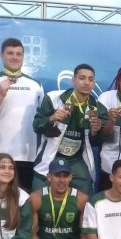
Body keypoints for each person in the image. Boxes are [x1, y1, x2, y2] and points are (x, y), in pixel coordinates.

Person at [0, 37, 45, 191]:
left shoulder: (36, 85)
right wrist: (0, 94)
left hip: (29, 157)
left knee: (24, 202)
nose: (15, 57)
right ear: (1, 55)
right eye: (10, 53)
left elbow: (43, 121)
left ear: (23, 56)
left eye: (19, 54)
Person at [32, 63, 105, 194]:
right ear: (73, 80)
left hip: (76, 159)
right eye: (82, 78)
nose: (86, 82)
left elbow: (95, 142)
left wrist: (95, 132)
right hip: (52, 155)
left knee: (86, 193)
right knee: (38, 195)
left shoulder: (96, 107)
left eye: (91, 79)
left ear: (94, 83)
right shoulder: (53, 98)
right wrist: (51, 118)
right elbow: (37, 125)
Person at [22, 157, 87, 239]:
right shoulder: (36, 198)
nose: (61, 180)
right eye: (57, 175)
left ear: (71, 177)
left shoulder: (81, 199)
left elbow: (85, 232)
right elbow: (30, 230)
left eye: (65, 176)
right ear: (49, 176)